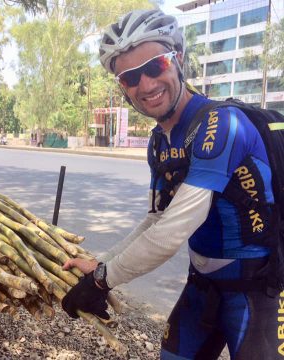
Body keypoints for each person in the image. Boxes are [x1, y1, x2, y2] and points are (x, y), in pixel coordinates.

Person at [61, 9, 280, 359]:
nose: (145, 85)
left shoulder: (221, 125)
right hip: (203, 287)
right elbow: (156, 219)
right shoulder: (159, 141)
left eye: (155, 67)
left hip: (259, 291)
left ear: (177, 59)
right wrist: (102, 264)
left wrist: (102, 280)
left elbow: (170, 235)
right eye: (130, 77)